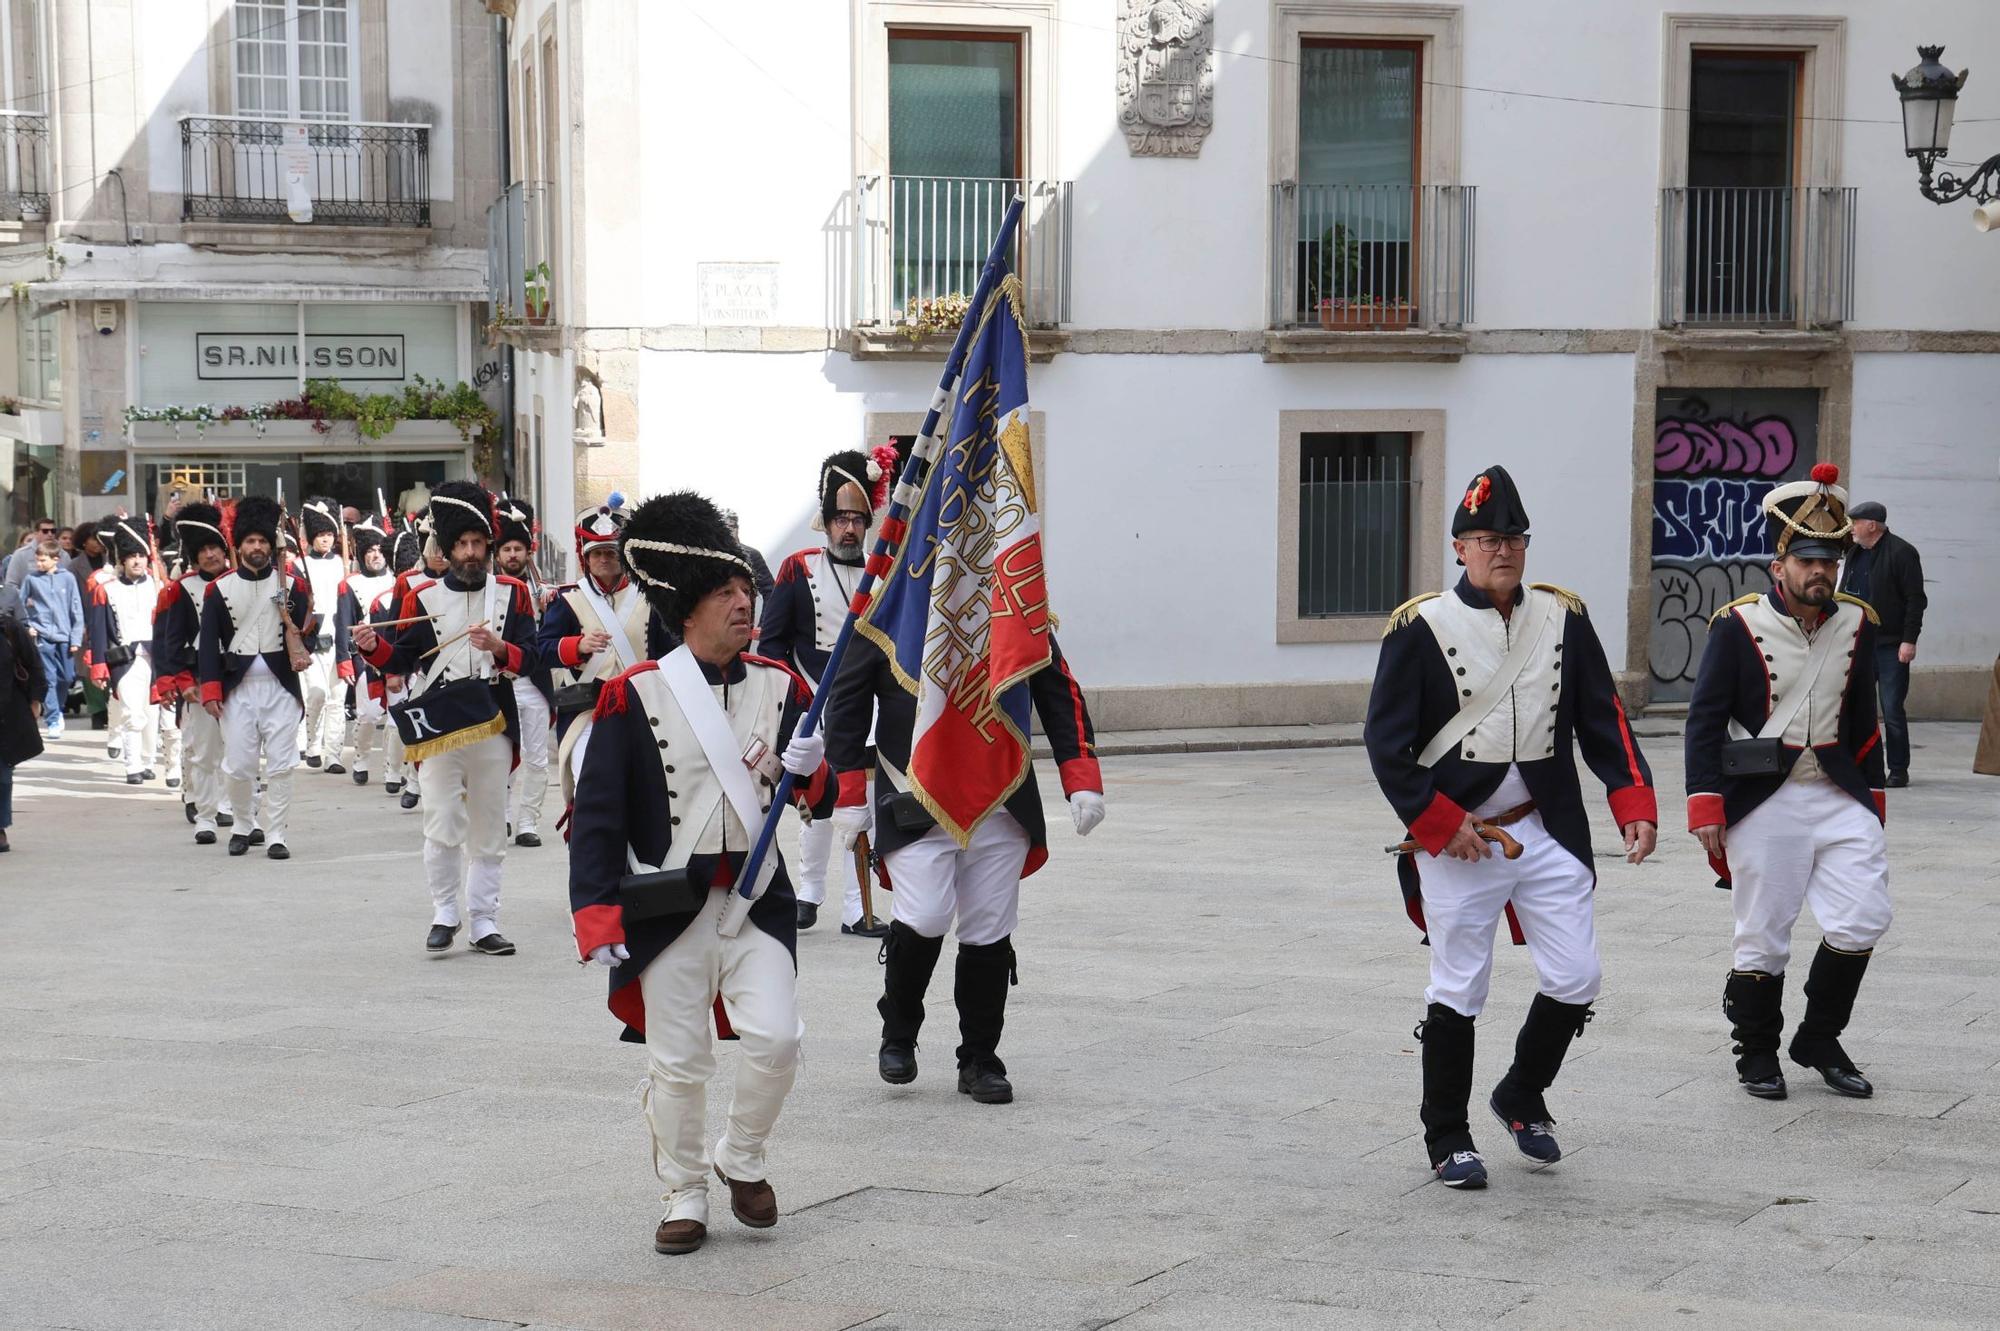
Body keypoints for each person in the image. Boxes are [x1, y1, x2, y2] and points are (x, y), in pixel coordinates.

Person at [1364, 464, 1657, 1191]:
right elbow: (1385, 742)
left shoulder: (1563, 617)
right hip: (1459, 835)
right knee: (1460, 984)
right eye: (1488, 538)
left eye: (1515, 539)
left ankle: (1521, 1090)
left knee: (1577, 974)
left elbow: (1602, 718)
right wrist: (1439, 822)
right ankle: (1447, 1134)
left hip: (1545, 826)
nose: (1504, 550)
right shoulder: (1420, 626)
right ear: (1459, 547)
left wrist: (1633, 801)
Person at [567, 489, 833, 1256]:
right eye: (727, 592)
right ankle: (684, 1189)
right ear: (689, 608)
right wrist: (595, 913)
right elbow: (600, 814)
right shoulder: (635, 692)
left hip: (756, 900)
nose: (745, 602)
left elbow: (820, 796)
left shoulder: (785, 688)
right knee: (679, 1063)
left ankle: (740, 1155)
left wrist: (812, 771)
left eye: (748, 589)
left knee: (778, 1038)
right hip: (666, 905)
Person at [823, 579, 1105, 1108]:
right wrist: (848, 790)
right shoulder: (891, 603)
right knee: (926, 914)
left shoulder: (1013, 595)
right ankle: (899, 1033)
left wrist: (1079, 772)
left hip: (1000, 793)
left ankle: (979, 1058)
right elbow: (848, 696)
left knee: (987, 928)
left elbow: (1056, 687)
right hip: (914, 792)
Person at [1687, 463, 1890, 1103]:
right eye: (1807, 560)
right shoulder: (1737, 623)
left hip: (1837, 791)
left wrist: (1873, 800)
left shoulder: (1858, 622)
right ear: (1780, 566)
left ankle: (1819, 1038)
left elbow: (1865, 717)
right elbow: (1704, 720)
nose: (1819, 573)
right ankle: (1756, 1049)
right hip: (1764, 798)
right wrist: (1706, 805)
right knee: (1763, 930)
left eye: (1829, 561)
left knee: (1863, 918)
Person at [351, 481, 540, 956]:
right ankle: (444, 913)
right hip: (439, 728)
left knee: (490, 824)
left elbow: (534, 659)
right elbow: (401, 660)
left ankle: (484, 920)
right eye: (463, 544)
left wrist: (501, 649)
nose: (472, 552)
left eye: (479, 543)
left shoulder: (514, 594)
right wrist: (374, 647)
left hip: (494, 721)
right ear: (449, 548)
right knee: (440, 819)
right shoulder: (421, 597)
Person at [760, 445, 899, 937]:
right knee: (814, 804)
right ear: (825, 521)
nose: (849, 529)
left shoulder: (883, 574)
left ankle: (857, 908)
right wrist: (792, 700)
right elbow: (773, 645)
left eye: (858, 519)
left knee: (859, 810)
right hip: (809, 706)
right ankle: (808, 894)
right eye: (840, 518)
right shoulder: (798, 568)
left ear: (868, 523)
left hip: (867, 710)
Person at [198, 496, 311, 859]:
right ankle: (244, 825)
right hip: (238, 690)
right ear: (239, 545)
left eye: (263, 540)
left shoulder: (294, 586)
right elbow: (208, 646)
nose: (257, 547)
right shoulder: (219, 590)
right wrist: (212, 689)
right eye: (250, 541)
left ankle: (277, 832)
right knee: (239, 766)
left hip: (281, 688)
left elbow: (305, 632)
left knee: (280, 765)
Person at [539, 496, 670, 809]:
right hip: (587, 711)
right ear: (586, 558)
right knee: (593, 795)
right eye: (596, 553)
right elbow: (541, 650)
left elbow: (669, 654)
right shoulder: (568, 600)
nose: (604, 559)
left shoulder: (650, 598)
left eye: (610, 552)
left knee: (642, 796)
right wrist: (578, 646)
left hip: (642, 709)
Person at [153, 503, 234, 843]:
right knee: (202, 751)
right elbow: (171, 644)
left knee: (237, 750)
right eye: (203, 549)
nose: (210, 554)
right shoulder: (178, 589)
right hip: (198, 680)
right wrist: (182, 682)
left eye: (215, 547)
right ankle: (205, 814)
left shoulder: (239, 582)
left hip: (236, 676)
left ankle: (231, 805)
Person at [1838, 502, 1925, 788]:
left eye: (1856, 522)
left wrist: (1909, 641)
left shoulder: (1902, 552)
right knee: (1851, 705)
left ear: (1872, 525)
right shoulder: (1854, 552)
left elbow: (1915, 600)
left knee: (1891, 709)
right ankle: (1852, 762)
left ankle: (1898, 769)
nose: (1852, 527)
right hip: (1857, 642)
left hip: (1890, 645)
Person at [493, 496, 552, 846]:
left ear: (528, 552)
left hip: (535, 682)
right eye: (507, 549)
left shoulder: (545, 590)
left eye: (518, 548)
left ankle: (528, 820)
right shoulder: (487, 589)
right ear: (498, 554)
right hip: (501, 681)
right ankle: (501, 817)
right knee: (501, 756)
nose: (512, 555)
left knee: (537, 757)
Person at [86, 520, 164, 785]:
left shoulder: (158, 586)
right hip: (124, 659)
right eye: (131, 556)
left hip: (155, 658)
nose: (137, 561)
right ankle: (133, 766)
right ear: (122, 559)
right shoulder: (106, 589)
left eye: (141, 555)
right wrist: (98, 665)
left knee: (152, 713)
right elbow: (98, 630)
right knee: (132, 713)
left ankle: (148, 759)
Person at [334, 518, 397, 785]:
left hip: (394, 654)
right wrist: (344, 660)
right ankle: (360, 759)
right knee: (369, 714)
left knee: (396, 717)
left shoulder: (398, 580)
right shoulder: (350, 584)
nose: (375, 555)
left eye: (379, 550)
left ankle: (393, 770)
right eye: (370, 550)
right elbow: (344, 624)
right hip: (364, 657)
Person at [296, 497, 349, 773]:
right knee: (316, 694)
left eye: (329, 534)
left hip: (338, 638)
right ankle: (312, 742)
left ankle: (334, 754)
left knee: (337, 698)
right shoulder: (298, 564)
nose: (325, 540)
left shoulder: (342, 563)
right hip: (311, 639)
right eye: (320, 535)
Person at [21, 540, 82, 739]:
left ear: (55, 559)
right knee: (49, 678)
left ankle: (59, 707)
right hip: (42, 635)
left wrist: (75, 637)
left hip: (64, 636)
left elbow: (76, 609)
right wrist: (28, 626)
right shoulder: (31, 579)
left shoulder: (68, 578)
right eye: (37, 560)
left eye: (42, 560)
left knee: (67, 677)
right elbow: (20, 606)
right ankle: (53, 718)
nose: (38, 564)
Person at [0, 596, 46, 852]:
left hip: (6, 713)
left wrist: (36, 700)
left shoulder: (9, 628)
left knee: (2, 775)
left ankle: (0, 826)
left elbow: (35, 665)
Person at [4, 517, 56, 586]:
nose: (50, 534)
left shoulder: (63, 555)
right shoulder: (20, 555)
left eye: (53, 531)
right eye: (45, 531)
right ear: (36, 533)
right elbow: (11, 584)